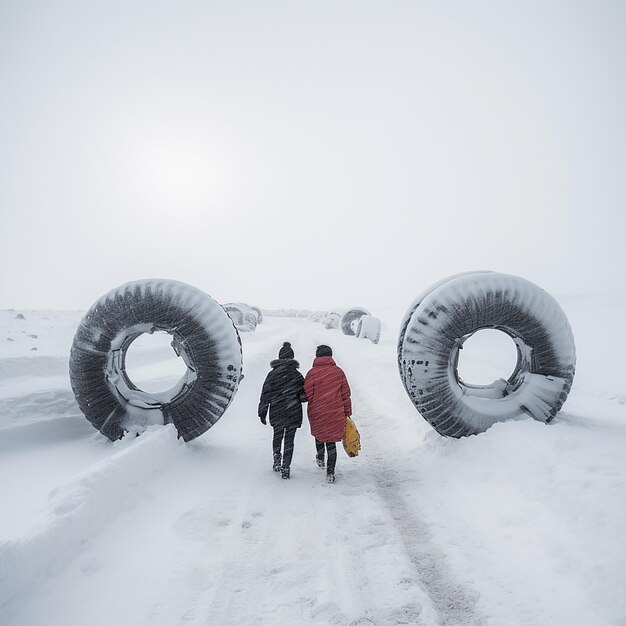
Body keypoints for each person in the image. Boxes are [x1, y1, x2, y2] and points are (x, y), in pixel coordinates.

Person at [258, 342, 307, 479]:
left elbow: (265, 394)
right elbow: (303, 397)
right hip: (293, 412)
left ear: (279, 358)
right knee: (289, 439)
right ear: (292, 358)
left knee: (277, 435)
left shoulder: (272, 374)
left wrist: (262, 412)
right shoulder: (297, 375)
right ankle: (286, 466)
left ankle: (276, 458)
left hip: (276, 410)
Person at [304, 345, 352, 483]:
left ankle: (320, 458)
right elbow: (345, 395)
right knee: (331, 442)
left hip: (317, 411)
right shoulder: (338, 372)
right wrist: (347, 412)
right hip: (334, 411)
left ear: (317, 356)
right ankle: (330, 472)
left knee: (319, 435)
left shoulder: (312, 373)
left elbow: (307, 393)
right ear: (330, 356)